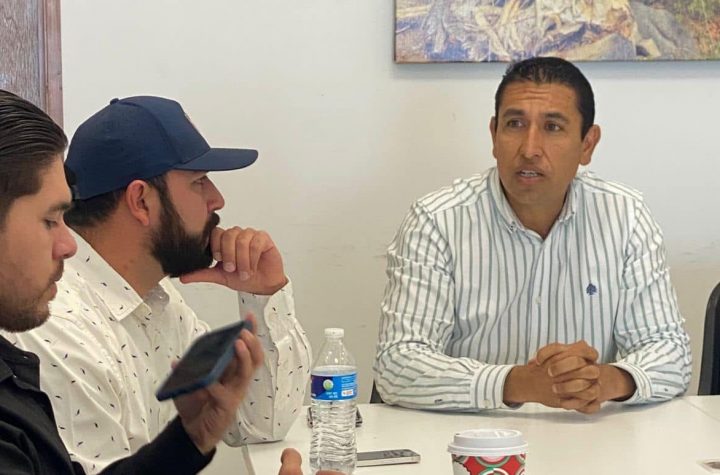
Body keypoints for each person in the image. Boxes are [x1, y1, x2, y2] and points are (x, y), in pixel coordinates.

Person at [7, 95, 311, 473]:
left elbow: (262, 425)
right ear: (141, 201)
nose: (217, 199)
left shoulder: (154, 298)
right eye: (199, 181)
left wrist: (263, 293)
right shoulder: (60, 327)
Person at [374, 57, 692, 414]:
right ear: (494, 135)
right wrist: (520, 384)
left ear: (587, 144)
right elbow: (397, 365)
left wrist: (604, 381)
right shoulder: (437, 221)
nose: (529, 149)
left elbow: (670, 352)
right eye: (515, 124)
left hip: (588, 434)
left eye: (553, 127)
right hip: (469, 437)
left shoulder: (626, 216)